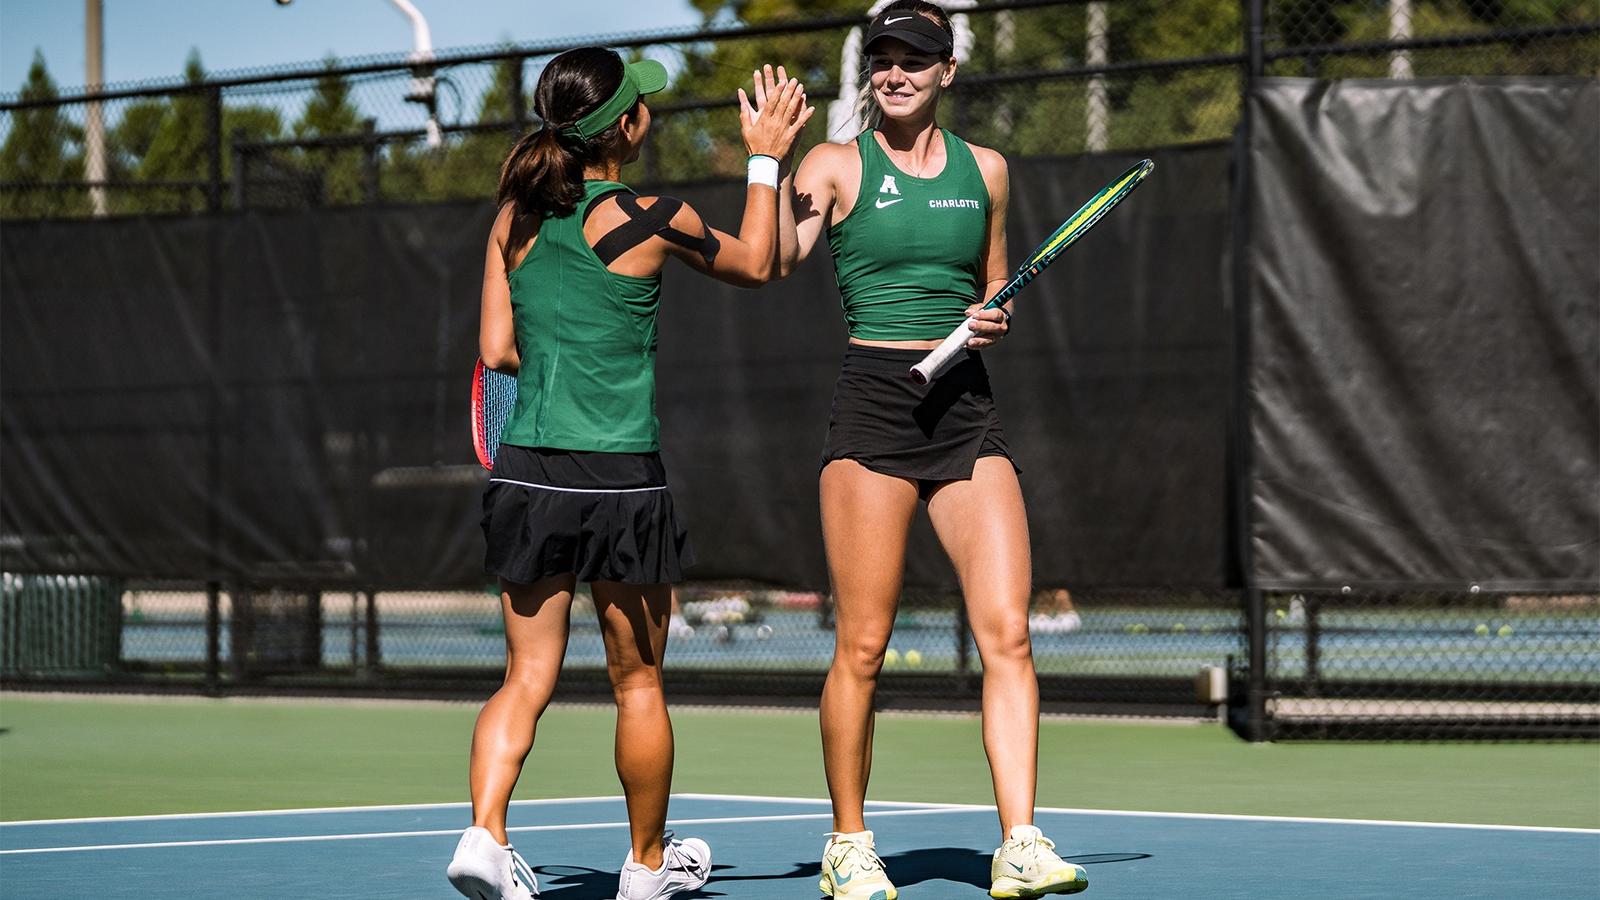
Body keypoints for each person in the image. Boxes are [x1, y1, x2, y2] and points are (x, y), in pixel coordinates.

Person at [447, 47, 812, 900]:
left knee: (524, 678)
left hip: (529, 472)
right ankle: (647, 868)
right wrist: (765, 156)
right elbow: (759, 262)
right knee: (638, 681)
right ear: (624, 128)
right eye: (643, 104)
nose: (651, 111)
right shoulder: (653, 216)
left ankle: (483, 836)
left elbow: (497, 351)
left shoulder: (513, 220)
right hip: (621, 484)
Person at [778, 3, 1089, 897]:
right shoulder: (836, 164)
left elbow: (996, 281)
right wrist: (768, 161)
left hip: (965, 411)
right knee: (864, 645)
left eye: (915, 58)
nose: (896, 72)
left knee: (1010, 635)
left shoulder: (987, 171)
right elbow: (778, 257)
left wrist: (994, 313)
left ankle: (1020, 842)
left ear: (947, 71)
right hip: (874, 408)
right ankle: (848, 843)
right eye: (883, 58)